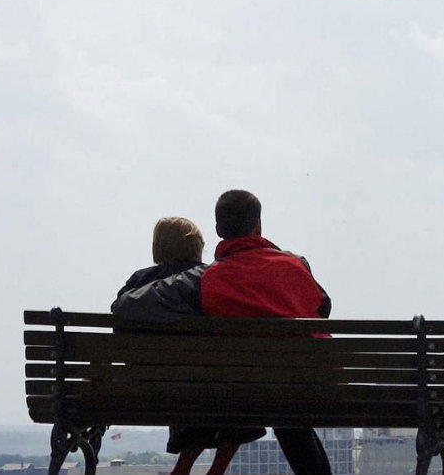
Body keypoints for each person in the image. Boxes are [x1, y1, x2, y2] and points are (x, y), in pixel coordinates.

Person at [112, 192, 333, 475]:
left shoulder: (205, 279)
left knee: (269, 392)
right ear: (259, 226)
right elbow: (323, 306)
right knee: (286, 402)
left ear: (218, 231)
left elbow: (126, 306)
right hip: (311, 386)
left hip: (243, 394)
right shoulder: (298, 265)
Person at [114, 217, 265, 475]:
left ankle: (183, 468)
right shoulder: (209, 278)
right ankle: (216, 469)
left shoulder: (138, 283)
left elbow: (119, 327)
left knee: (189, 383)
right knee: (231, 391)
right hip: (209, 386)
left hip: (149, 387)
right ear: (197, 247)